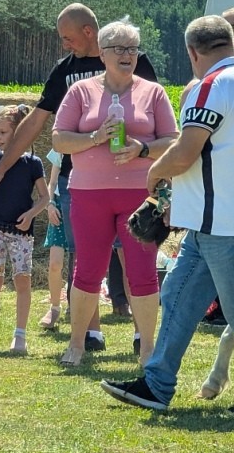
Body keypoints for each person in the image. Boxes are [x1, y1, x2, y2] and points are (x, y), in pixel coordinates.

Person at [100, 15, 234, 416]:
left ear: (193, 52)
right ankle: (156, 384)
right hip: (223, 222)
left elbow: (188, 150)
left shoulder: (210, 87)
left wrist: (154, 170)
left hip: (225, 224)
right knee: (177, 295)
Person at [0, 3, 159, 351]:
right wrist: (1, 170)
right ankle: (91, 333)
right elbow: (36, 120)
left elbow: (155, 110)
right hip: (78, 179)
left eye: (68, 38)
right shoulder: (65, 71)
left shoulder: (133, 63)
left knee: (132, 253)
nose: (65, 45)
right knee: (85, 255)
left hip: (131, 177)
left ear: (89, 33)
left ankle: (143, 335)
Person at [52, 19, 177, 366]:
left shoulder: (153, 92)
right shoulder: (81, 92)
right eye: (120, 49)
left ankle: (148, 349)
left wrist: (142, 148)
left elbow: (174, 141)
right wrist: (95, 138)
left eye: (133, 49)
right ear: (103, 54)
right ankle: (76, 345)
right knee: (87, 271)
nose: (127, 55)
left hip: (140, 194)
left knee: (143, 271)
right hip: (90, 194)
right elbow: (59, 139)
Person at [0, 104, 50, 356]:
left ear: (19, 133)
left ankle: (20, 336)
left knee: (22, 281)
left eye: (3, 133)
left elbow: (44, 197)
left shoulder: (33, 163)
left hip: (20, 232)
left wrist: (31, 214)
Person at [38, 148, 67, 330]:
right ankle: (55, 307)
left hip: (82, 204)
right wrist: (50, 204)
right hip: (59, 207)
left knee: (80, 264)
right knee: (55, 263)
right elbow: (52, 181)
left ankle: (78, 305)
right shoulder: (60, 147)